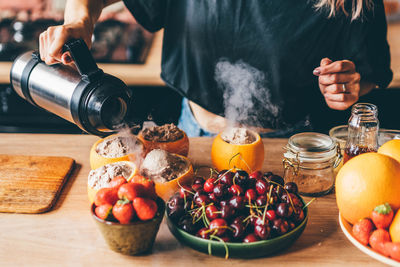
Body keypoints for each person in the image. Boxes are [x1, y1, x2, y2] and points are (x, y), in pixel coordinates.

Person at [39, 0, 392, 137]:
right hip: (196, 134)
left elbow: (369, 72)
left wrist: (349, 86)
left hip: (296, 147)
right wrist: (80, 19)